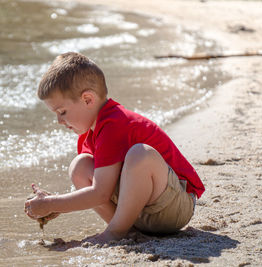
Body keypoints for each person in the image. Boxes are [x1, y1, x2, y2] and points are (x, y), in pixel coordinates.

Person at [24, 52, 205, 243]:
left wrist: (53, 204)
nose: (59, 121)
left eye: (62, 112)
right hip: (140, 212)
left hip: (174, 206)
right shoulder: (90, 134)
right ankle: (125, 230)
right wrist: (53, 205)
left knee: (140, 155)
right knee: (80, 166)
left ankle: (116, 231)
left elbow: (100, 193)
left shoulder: (114, 123)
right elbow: (98, 188)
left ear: (87, 99)